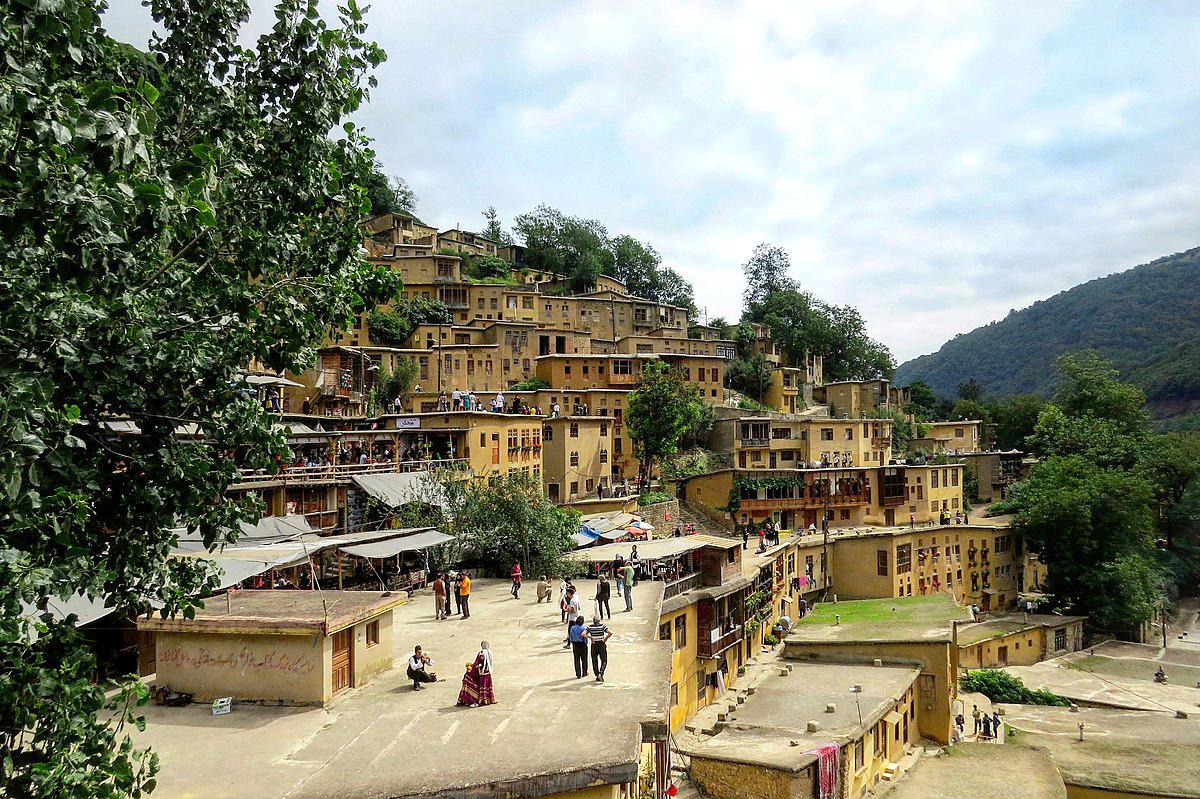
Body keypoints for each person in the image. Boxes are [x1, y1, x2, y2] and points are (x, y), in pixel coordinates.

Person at [456, 642, 496, 707]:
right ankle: (487, 700)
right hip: (488, 673)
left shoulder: (482, 653)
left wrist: (471, 667)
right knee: (486, 686)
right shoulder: (490, 653)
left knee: (467, 677)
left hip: (481, 672)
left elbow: (477, 662)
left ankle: (474, 700)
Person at [587, 614, 612, 682]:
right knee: (604, 660)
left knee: (594, 660)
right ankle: (601, 673)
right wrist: (605, 639)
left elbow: (583, 634)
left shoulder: (590, 627)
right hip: (601, 644)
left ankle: (597, 675)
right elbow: (610, 633)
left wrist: (590, 637)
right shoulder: (602, 626)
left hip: (594, 644)